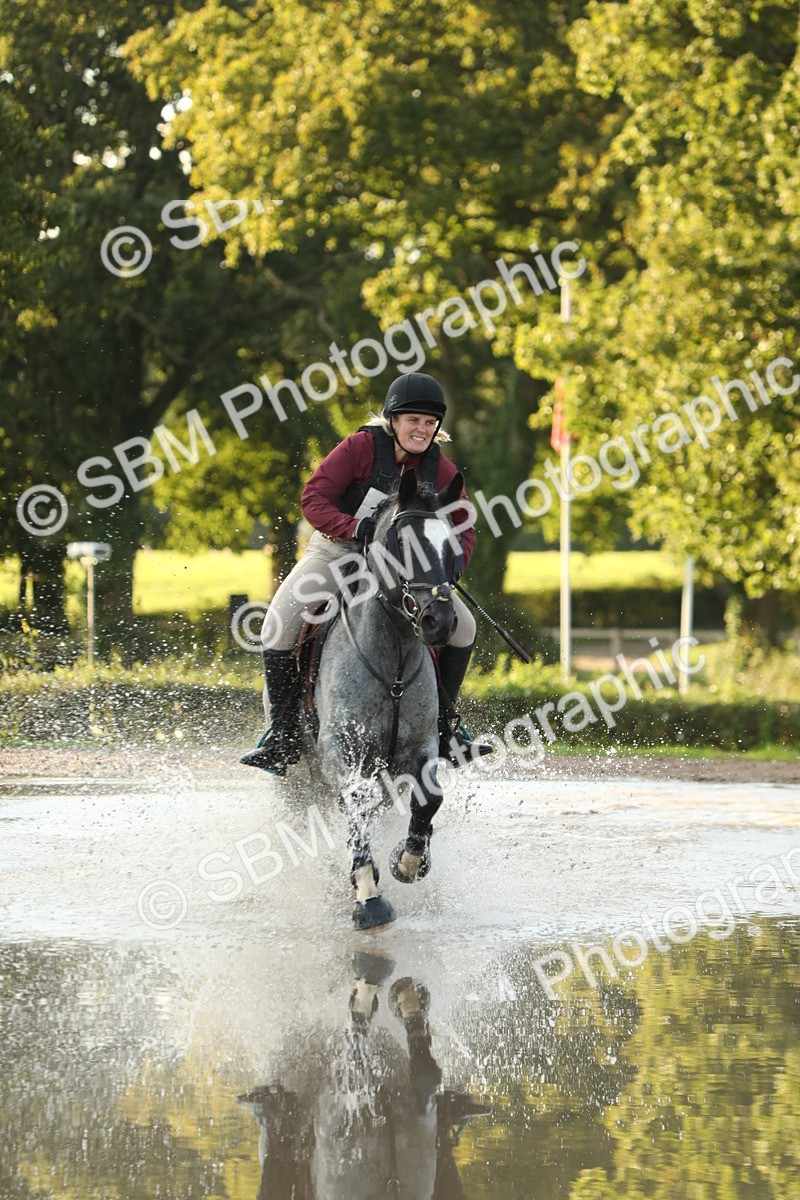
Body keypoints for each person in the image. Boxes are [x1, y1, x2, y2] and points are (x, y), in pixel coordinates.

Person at [241, 371, 492, 774]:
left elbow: (462, 523)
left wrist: (451, 568)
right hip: (338, 549)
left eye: (430, 423)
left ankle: (445, 729)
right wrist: (355, 528)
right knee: (277, 623)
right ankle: (284, 735)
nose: (422, 429)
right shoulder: (360, 448)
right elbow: (314, 498)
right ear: (393, 420)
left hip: (400, 565)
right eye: (413, 420)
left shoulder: (439, 468)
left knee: (463, 628)